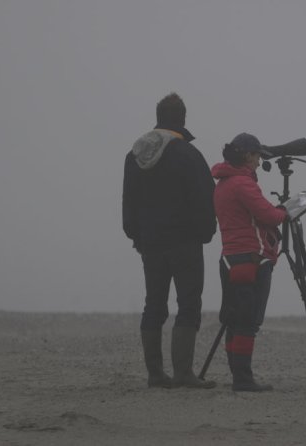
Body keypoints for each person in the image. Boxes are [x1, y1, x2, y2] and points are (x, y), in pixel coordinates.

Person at [122, 93, 217, 389]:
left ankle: (155, 374)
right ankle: (183, 373)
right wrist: (205, 233)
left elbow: (129, 201)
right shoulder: (188, 154)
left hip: (150, 243)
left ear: (159, 115)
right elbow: (204, 200)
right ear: (183, 118)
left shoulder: (134, 155)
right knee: (188, 303)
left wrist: (136, 235)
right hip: (185, 242)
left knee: (154, 304)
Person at [211, 133, 288, 391]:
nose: (258, 162)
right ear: (247, 156)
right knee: (248, 321)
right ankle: (243, 379)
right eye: (256, 156)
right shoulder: (242, 184)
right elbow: (268, 214)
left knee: (235, 319)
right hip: (251, 259)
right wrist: (286, 212)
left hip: (230, 259)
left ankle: (238, 373)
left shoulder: (223, 183)